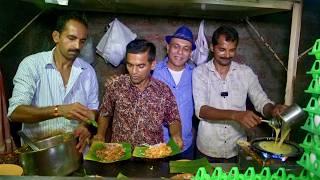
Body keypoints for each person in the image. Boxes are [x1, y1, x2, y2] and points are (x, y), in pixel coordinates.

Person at [192, 25, 286, 162]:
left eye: (232, 50)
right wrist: (237, 115)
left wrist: (273, 109)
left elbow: (261, 101)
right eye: (222, 50)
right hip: (207, 148)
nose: (227, 55)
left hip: (236, 148)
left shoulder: (245, 73)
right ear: (212, 47)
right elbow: (201, 110)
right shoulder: (200, 72)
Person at [8, 12, 99, 152]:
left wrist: (86, 127)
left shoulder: (88, 71)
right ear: (56, 36)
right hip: (39, 155)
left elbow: (93, 110)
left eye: (82, 41)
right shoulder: (32, 65)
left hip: (76, 152)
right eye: (71, 38)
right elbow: (15, 112)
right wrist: (59, 110)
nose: (77, 46)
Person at [93, 39, 183, 149]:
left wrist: (176, 135)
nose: (134, 72)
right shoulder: (116, 86)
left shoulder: (163, 91)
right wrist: (100, 134)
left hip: (152, 156)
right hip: (120, 154)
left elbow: (173, 119)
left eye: (140, 66)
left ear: (153, 64)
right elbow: (105, 113)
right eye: (130, 65)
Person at [152, 26, 195, 159]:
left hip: (185, 144)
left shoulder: (196, 74)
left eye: (186, 48)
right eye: (176, 46)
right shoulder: (153, 72)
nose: (180, 52)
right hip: (157, 144)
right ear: (168, 47)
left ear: (190, 54)